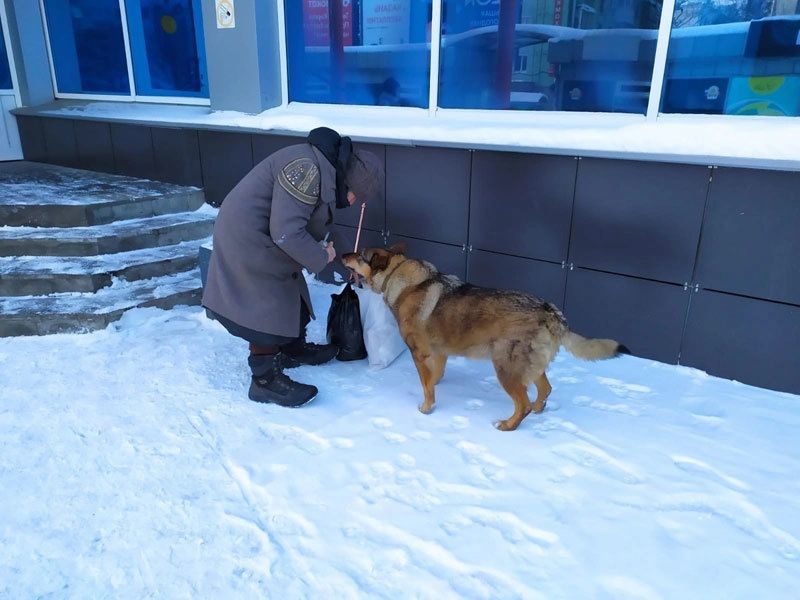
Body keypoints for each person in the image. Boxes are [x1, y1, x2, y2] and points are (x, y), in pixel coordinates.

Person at [202, 127, 384, 408]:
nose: (353, 202)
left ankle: (291, 349)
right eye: (356, 195)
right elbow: (287, 232)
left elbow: (320, 225)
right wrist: (323, 256)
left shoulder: (324, 170)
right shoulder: (306, 170)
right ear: (349, 181)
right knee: (266, 302)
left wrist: (349, 260)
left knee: (292, 287)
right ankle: (264, 381)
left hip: (267, 233)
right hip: (248, 237)